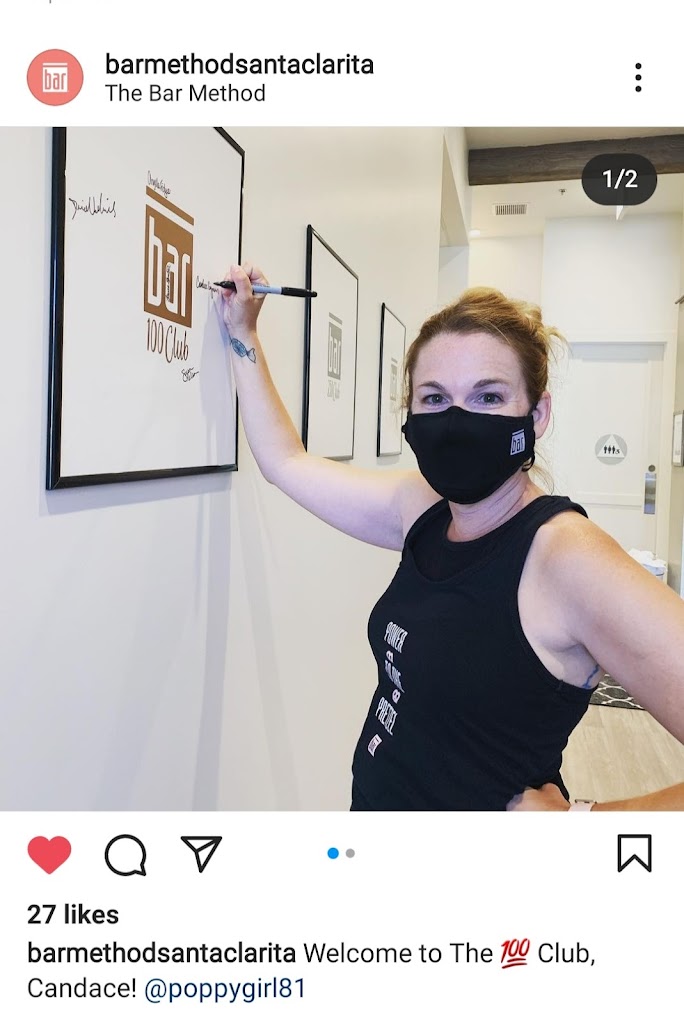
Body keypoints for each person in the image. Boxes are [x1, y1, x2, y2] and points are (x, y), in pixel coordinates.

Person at [219, 262, 684, 811]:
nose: (457, 421)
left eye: (488, 397)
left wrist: (581, 825)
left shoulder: (566, 556)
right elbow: (285, 462)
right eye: (435, 398)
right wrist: (243, 333)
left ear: (537, 415)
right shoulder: (422, 509)